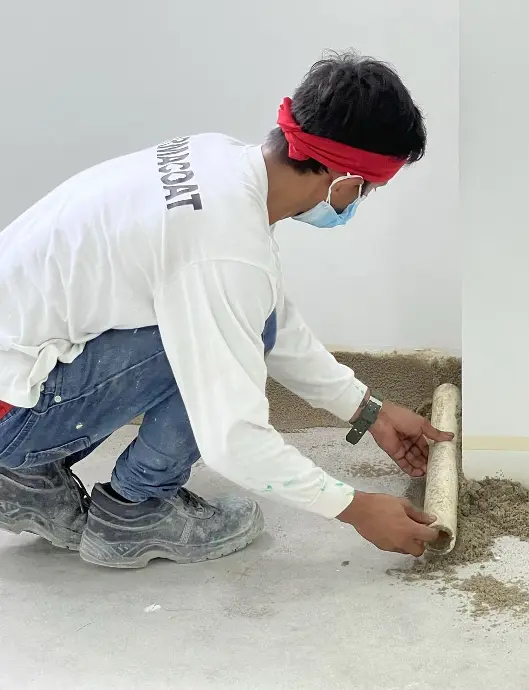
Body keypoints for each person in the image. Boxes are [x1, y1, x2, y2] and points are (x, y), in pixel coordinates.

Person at [0, 51, 453, 569]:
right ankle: (136, 511)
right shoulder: (224, 247)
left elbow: (269, 318)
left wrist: (367, 409)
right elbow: (232, 438)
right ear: (346, 179)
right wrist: (354, 508)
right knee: (216, 342)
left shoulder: (217, 161)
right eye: (369, 188)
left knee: (237, 324)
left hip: (18, 369)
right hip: (10, 412)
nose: (360, 199)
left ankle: (27, 475)